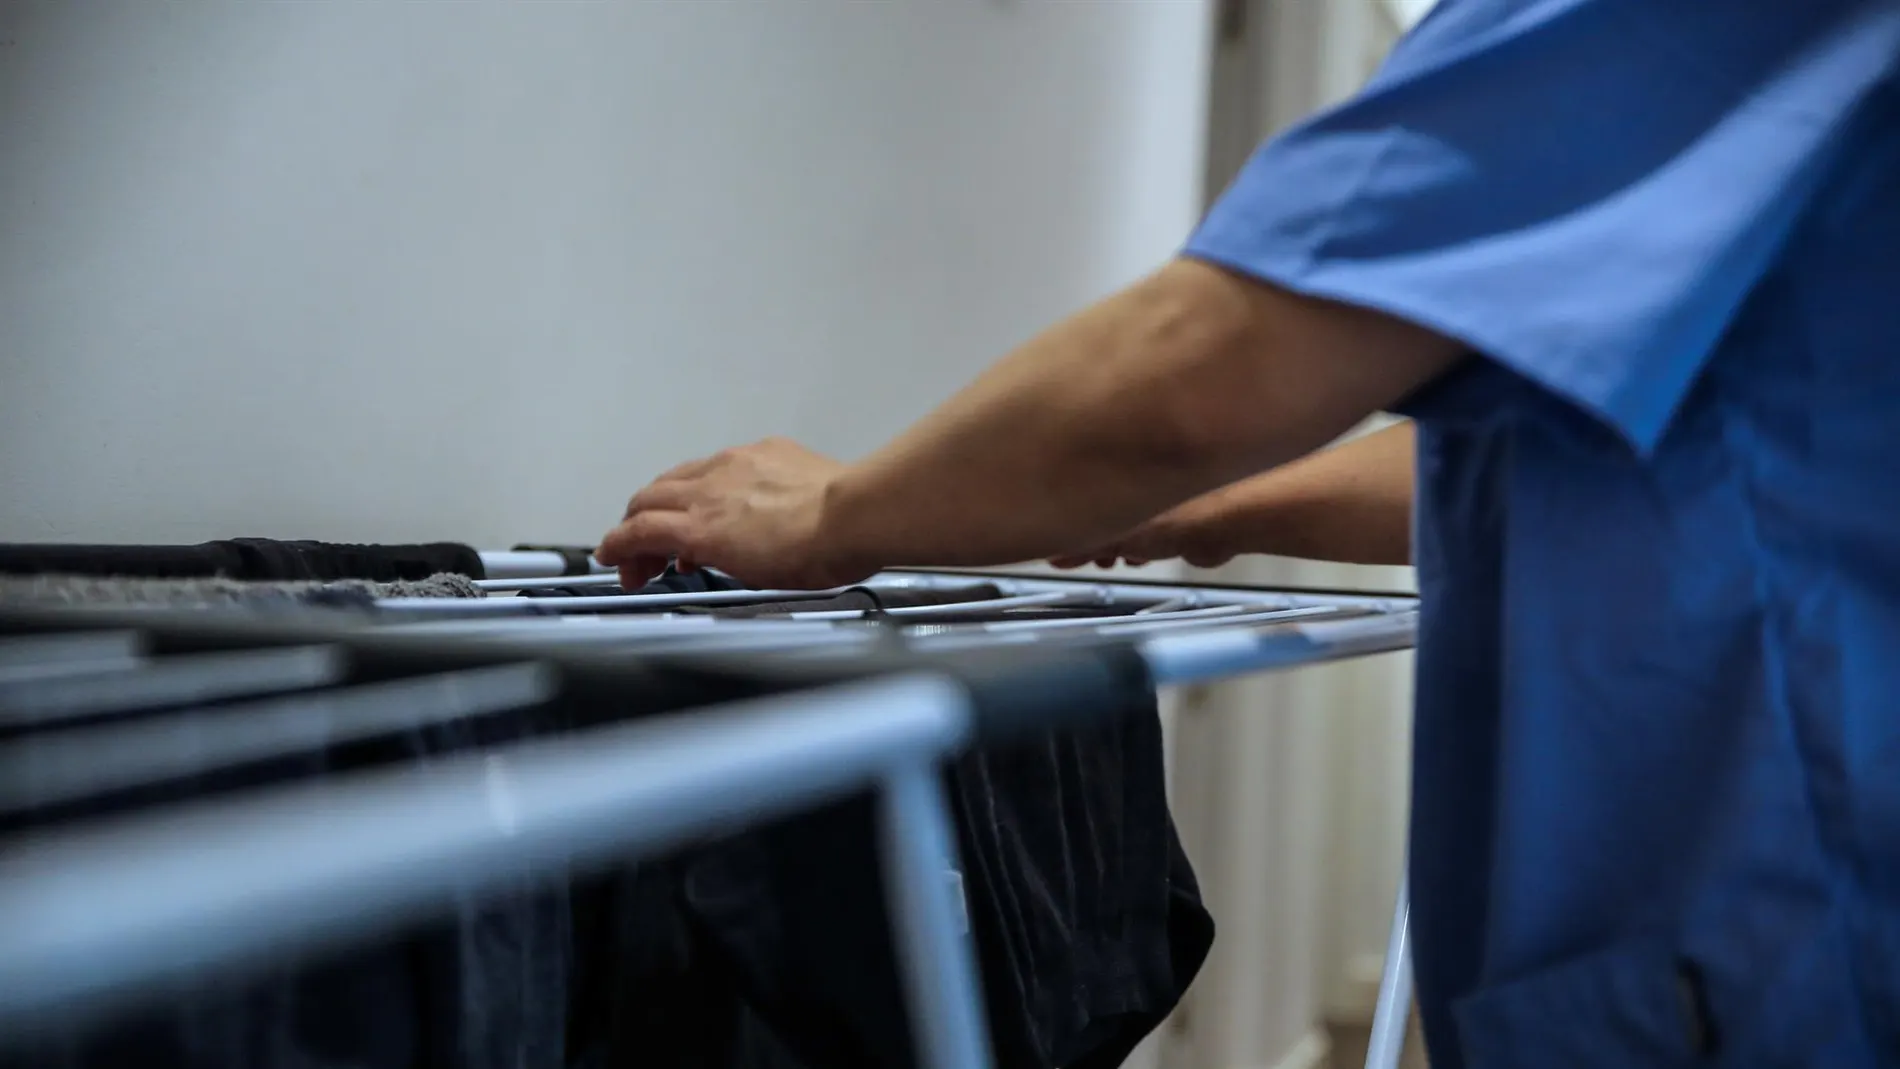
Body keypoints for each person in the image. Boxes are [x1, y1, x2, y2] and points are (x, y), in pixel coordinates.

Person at [598, 2, 1900, 1065]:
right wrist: (1202, 515)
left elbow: (1211, 368)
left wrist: (836, 515)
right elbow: (1537, 435)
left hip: (1776, 927)